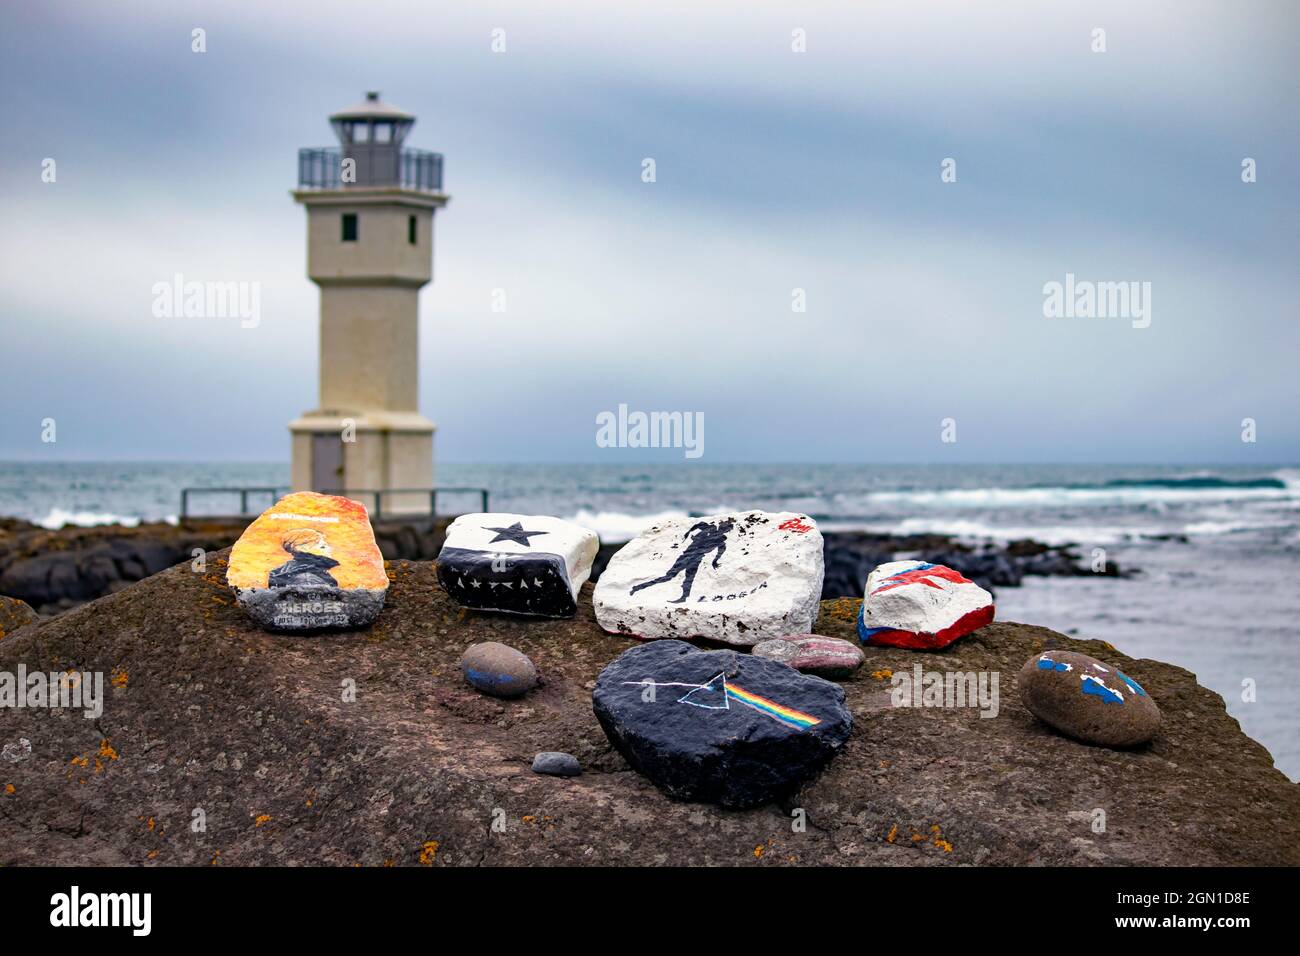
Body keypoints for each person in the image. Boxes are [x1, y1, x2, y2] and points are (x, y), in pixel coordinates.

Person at [629, 518, 734, 603]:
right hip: (686, 556)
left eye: (726, 529)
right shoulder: (710, 528)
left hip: (697, 559)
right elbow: (698, 524)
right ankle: (638, 587)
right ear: (720, 525)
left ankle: (684, 598)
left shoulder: (721, 541)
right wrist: (688, 532)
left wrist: (714, 561)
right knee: (668, 577)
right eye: (723, 526)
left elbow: (720, 552)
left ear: (727, 531)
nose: (723, 529)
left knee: (689, 579)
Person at [267, 528, 340, 588]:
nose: (330, 549)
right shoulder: (308, 579)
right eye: (322, 546)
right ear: (302, 548)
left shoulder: (290, 571)